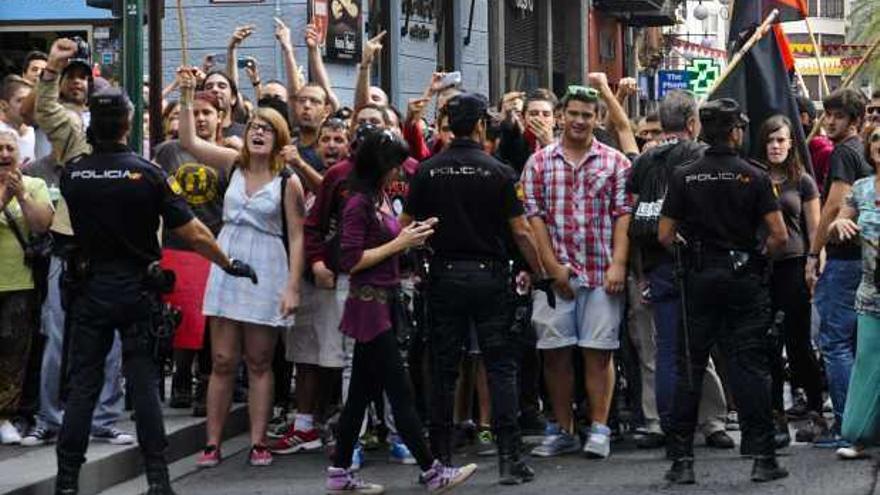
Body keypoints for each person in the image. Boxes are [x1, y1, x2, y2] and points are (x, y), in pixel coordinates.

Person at [36, 38, 257, 495]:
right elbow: (194, 232)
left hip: (90, 289)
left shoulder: (75, 173)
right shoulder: (147, 173)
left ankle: (67, 482)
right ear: (129, 124)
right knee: (143, 388)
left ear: (90, 126)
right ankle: (158, 480)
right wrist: (228, 262)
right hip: (137, 290)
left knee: (82, 388)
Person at [403, 92, 546, 485]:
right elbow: (520, 230)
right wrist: (539, 273)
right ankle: (509, 459)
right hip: (489, 276)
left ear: (448, 123)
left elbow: (407, 225)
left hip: (444, 275)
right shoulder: (498, 171)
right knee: (501, 367)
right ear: (482, 124)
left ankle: (439, 459)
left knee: (444, 369)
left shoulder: (428, 171)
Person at [325, 127, 477, 493]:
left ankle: (339, 472)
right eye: (394, 163)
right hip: (371, 307)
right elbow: (351, 259)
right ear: (380, 164)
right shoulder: (358, 202)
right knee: (400, 391)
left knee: (360, 395)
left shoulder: (374, 196)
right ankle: (431, 471)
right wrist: (401, 242)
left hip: (382, 304)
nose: (400, 170)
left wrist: (413, 234)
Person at [176, 67, 306, 469]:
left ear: (279, 136)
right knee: (221, 361)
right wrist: (184, 97)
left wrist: (291, 286)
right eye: (254, 126)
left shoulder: (288, 181)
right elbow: (189, 141)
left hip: (267, 265)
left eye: (267, 128)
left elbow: (299, 236)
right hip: (228, 260)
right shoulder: (233, 163)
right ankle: (212, 443)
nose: (258, 132)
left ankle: (257, 441)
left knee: (260, 361)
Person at [658, 98, 789, 484]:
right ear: (736, 132)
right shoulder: (755, 176)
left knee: (689, 367)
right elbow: (779, 235)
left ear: (701, 128)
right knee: (749, 366)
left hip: (698, 278)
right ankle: (763, 456)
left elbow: (665, 234)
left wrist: (691, 253)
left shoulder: (684, 175)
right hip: (742, 278)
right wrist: (756, 258)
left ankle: (682, 461)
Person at [523, 85, 631, 460]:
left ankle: (599, 427)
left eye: (587, 114)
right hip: (556, 276)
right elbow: (532, 218)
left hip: (602, 272)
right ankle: (563, 428)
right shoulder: (538, 162)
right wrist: (551, 268)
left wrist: (618, 263)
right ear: (561, 115)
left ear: (597, 119)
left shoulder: (616, 162)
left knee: (599, 353)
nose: (580, 121)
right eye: (574, 113)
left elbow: (623, 216)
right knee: (554, 354)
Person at [625, 89, 733, 451]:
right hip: (699, 264)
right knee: (700, 348)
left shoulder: (642, 161)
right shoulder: (703, 157)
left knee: (668, 350)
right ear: (692, 123)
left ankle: (672, 426)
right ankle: (711, 421)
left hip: (657, 268)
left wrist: (641, 273)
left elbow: (635, 218)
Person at [154, 90, 228, 415]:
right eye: (194, 112)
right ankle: (181, 377)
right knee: (179, 318)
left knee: (210, 320)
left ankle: (205, 383)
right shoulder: (167, 152)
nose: (200, 118)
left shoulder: (227, 156)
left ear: (220, 117)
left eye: (207, 113)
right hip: (175, 245)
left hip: (213, 247)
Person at [805, 88, 871, 447]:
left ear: (856, 121)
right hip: (862, 259)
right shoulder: (860, 152)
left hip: (845, 258)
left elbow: (832, 206)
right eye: (827, 114)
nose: (829, 121)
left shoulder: (845, 153)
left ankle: (846, 423)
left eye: (839, 116)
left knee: (834, 342)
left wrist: (814, 254)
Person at [755, 115, 823, 447]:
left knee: (798, 345)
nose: (776, 146)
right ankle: (775, 417)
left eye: (781, 140)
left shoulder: (803, 181)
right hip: (763, 270)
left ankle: (814, 411)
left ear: (791, 142)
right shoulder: (752, 178)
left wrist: (815, 267)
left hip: (796, 269)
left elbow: (816, 231)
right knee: (769, 346)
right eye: (770, 140)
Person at [829, 124, 880, 459]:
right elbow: (836, 227)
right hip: (871, 294)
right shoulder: (861, 188)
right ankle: (858, 436)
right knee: (867, 362)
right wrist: (839, 225)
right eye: (875, 138)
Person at [0, 130, 53, 445]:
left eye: (10, 148)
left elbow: (42, 225)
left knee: (13, 352)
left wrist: (21, 196)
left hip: (20, 281)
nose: (5, 154)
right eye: (0, 148)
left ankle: (5, 415)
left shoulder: (35, 185)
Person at [1, 75, 37, 164]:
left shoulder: (30, 131)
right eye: (20, 100)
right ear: (3, 105)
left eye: (30, 101)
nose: (27, 106)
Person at [201, 70, 246, 138]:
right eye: (209, 87)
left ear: (233, 98)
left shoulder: (246, 134)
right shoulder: (192, 134)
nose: (215, 89)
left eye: (222, 86)